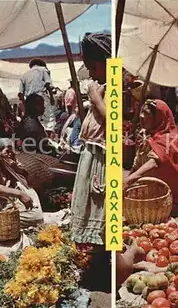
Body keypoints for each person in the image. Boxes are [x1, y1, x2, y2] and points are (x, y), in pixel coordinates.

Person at [70, 32, 110, 246]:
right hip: (91, 159)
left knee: (101, 216)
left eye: (93, 67)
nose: (92, 74)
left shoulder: (115, 87)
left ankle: (103, 262)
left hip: (103, 161)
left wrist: (95, 98)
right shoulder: (101, 85)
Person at [124, 99, 178, 217]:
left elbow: (154, 163)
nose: (141, 116)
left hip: (170, 194)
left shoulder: (168, 138)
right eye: (142, 112)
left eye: (147, 114)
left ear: (159, 118)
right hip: (151, 187)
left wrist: (127, 181)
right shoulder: (148, 136)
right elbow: (137, 164)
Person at [18, 59, 56, 133]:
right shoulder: (43, 70)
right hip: (41, 99)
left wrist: (25, 106)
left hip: (30, 102)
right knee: (48, 121)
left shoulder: (24, 75)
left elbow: (20, 94)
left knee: (35, 121)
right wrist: (51, 97)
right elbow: (48, 85)